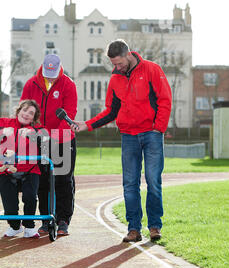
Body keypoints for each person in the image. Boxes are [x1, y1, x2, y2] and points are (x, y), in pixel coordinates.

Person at [72, 39, 172, 242]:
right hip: (128, 136)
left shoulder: (152, 69)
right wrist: (87, 125)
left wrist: (158, 128)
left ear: (128, 54)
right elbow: (111, 111)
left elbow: (165, 100)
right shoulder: (115, 79)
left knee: (153, 181)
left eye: (118, 63)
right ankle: (133, 229)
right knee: (129, 184)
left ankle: (154, 226)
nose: (116, 68)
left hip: (151, 134)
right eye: (113, 64)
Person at [20, 54, 78, 236]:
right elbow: (25, 111)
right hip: (39, 139)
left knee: (63, 180)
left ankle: (63, 220)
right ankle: (46, 218)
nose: (50, 76)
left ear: (59, 68)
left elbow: (70, 113)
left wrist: (54, 135)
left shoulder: (68, 85)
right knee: (42, 181)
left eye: (53, 73)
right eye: (47, 73)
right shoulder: (31, 84)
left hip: (63, 139)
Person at [0, 99, 47, 238]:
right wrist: (3, 131)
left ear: (34, 118)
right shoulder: (4, 122)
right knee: (9, 204)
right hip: (7, 170)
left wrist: (33, 135)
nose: (26, 114)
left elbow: (45, 141)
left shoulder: (37, 129)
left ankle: (29, 227)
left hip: (29, 170)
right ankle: (15, 226)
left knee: (30, 197)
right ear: (18, 111)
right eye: (24, 110)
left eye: (31, 113)